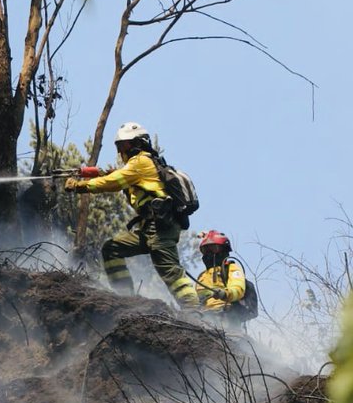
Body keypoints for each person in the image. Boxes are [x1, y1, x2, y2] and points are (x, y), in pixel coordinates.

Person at [64, 122, 199, 309]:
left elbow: (114, 182)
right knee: (112, 249)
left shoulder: (141, 162)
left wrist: (80, 185)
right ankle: (126, 297)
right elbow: (119, 178)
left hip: (161, 226)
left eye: (124, 145)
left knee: (169, 271)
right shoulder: (142, 165)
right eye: (119, 146)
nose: (121, 151)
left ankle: (194, 311)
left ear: (138, 144)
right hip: (149, 227)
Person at [195, 229, 248, 320]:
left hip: (226, 314)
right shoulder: (202, 276)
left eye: (213, 249)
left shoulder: (231, 268)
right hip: (205, 316)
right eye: (206, 250)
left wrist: (225, 294)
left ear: (224, 250)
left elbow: (238, 289)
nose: (209, 253)